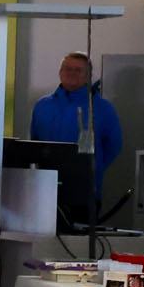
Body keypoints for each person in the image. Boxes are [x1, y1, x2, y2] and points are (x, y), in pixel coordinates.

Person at [29, 51, 123, 209]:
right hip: (46, 189)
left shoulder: (102, 108)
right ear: (60, 72)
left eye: (78, 70)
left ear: (88, 76)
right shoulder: (42, 105)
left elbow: (114, 146)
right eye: (68, 68)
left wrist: (92, 167)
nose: (72, 73)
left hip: (84, 190)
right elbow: (35, 142)